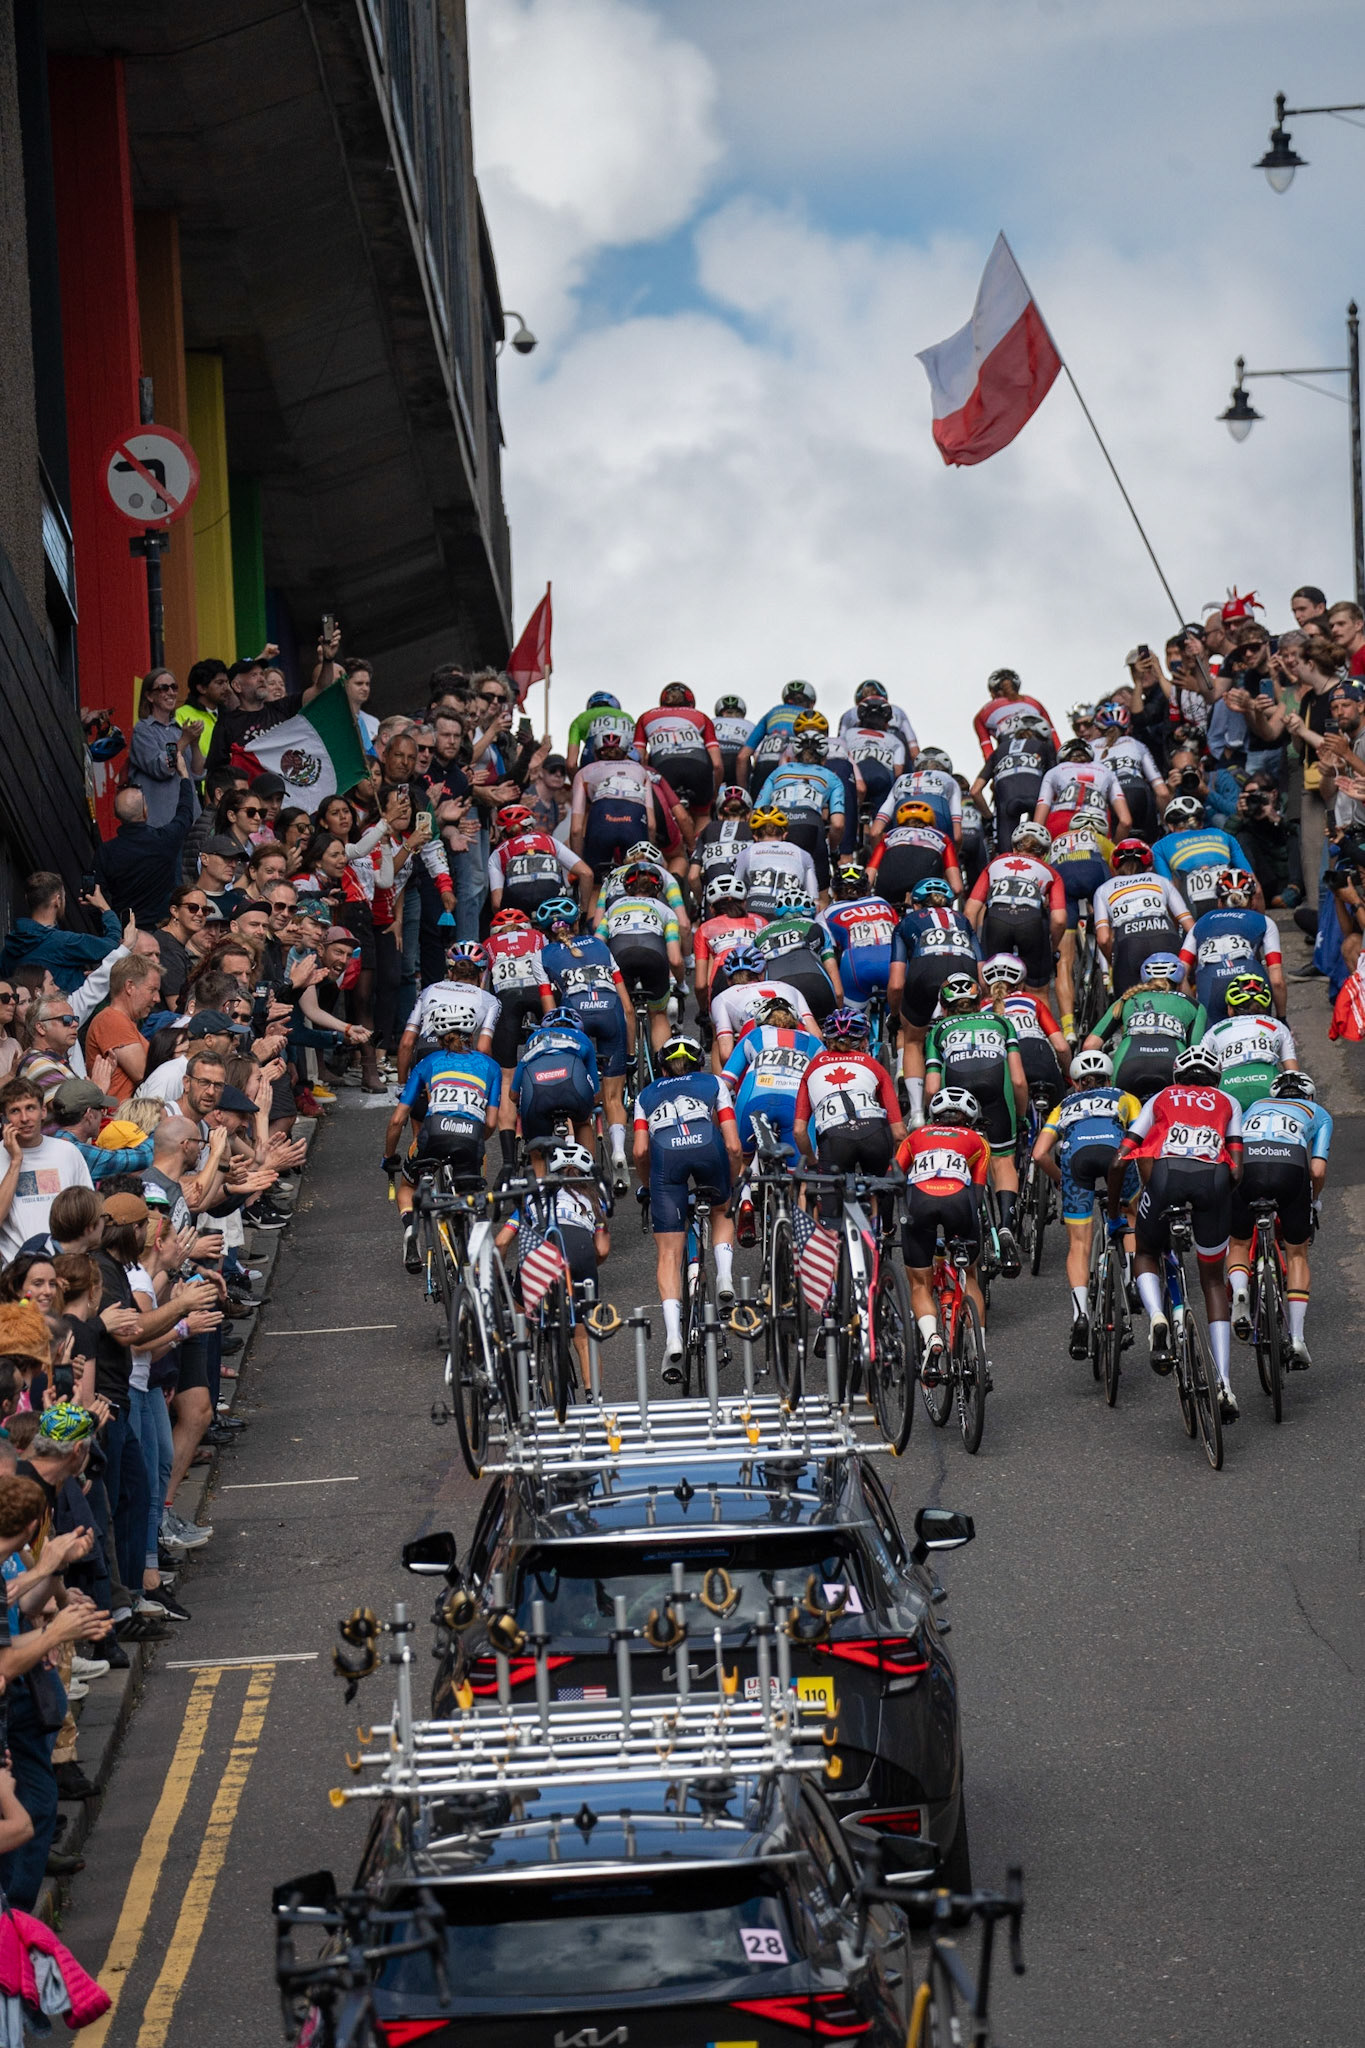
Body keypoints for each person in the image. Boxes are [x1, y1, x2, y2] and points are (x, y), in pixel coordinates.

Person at [1112, 1043, 1242, 1417]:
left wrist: (1115, 1207)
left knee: (1147, 1252)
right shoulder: (1227, 1101)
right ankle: (1224, 1385)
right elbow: (1235, 1168)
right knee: (1213, 1283)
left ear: (1177, 1077)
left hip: (1167, 1180)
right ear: (1216, 1077)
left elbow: (1123, 1156)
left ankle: (1155, 1315)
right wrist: (1217, 1199)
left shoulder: (1162, 1098)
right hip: (1213, 1181)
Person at [632, 1032, 744, 1369]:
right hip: (707, 1147)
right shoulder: (713, 1083)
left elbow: (639, 1150)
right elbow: (734, 1145)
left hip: (666, 1159)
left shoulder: (645, 1094)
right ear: (698, 1062)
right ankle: (725, 1279)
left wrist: (649, 1185)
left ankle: (673, 1339)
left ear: (662, 1068)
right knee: (721, 1210)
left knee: (668, 1252)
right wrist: (733, 1182)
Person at [1032, 1049, 1140, 1358]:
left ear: (1077, 1084)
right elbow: (1141, 1139)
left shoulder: (1065, 1104)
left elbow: (1039, 1154)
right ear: (1109, 1078)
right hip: (1115, 1155)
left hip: (1077, 1161)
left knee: (1078, 1244)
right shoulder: (1125, 1097)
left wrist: (1059, 1180)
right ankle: (1133, 1281)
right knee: (1130, 1215)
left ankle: (1080, 1313)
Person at [383, 998, 501, 1271]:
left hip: (433, 1131)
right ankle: (467, 1244)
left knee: (408, 1187)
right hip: (471, 1135)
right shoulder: (490, 1066)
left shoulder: (429, 1062)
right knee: (471, 1194)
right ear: (471, 1035)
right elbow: (491, 1122)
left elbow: (398, 1119)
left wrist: (388, 1156)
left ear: (438, 1036)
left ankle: (411, 1229)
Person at [923, 971, 1026, 1272]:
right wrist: (1020, 1118)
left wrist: (933, 1122)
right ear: (979, 1001)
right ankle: (1005, 1226)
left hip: (955, 1092)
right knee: (1003, 1160)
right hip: (996, 1090)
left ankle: (958, 1223)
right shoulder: (1002, 1022)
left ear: (944, 1006)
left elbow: (930, 1087)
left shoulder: (939, 1029)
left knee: (957, 1153)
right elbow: (1018, 1081)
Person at [1226, 1071, 1330, 1371]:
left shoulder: (1255, 1106)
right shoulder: (1318, 1113)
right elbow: (1318, 1171)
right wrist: (1312, 1202)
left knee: (1239, 1242)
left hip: (1249, 1165)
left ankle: (1241, 1289)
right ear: (1309, 1097)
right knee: (1297, 1254)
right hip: (1290, 1167)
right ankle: (1296, 1337)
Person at [535, 898, 634, 1190]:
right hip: (611, 1016)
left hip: (573, 1018)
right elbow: (628, 1008)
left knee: (574, 1093)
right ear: (577, 923)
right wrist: (629, 1054)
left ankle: (574, 1155)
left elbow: (549, 1013)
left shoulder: (542, 955)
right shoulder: (601, 946)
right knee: (614, 1097)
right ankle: (617, 1151)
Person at [495, 1142, 610, 1391]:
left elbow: (502, 1241)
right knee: (583, 1336)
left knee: (520, 1311)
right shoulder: (595, 1201)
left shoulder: (532, 1197)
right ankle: (594, 1401)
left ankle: (523, 1366)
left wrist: (499, 1278)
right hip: (579, 1253)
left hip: (540, 1250)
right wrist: (586, 1266)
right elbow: (602, 1250)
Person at [896, 1087, 992, 1367]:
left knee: (919, 1283)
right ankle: (979, 1354)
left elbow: (894, 1178)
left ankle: (932, 1338)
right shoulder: (977, 1140)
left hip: (919, 1202)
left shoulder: (915, 1137)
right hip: (959, 1202)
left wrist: (892, 1224)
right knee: (969, 1275)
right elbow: (977, 1192)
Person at [886, 876, 981, 1122]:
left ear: (916, 905)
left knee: (914, 1041)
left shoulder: (906, 923)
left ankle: (917, 1113)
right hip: (964, 972)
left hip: (924, 975)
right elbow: (981, 972)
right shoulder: (964, 921)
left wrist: (897, 1016)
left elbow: (896, 984)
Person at [792, 1007, 905, 1189]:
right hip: (874, 1135)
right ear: (864, 1043)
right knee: (881, 1193)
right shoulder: (874, 1065)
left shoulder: (812, 1067)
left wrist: (813, 1164)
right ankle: (879, 1214)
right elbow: (899, 1133)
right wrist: (895, 1170)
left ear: (829, 1041)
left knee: (831, 1211)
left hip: (834, 1139)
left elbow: (799, 1131)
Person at [483, 910, 555, 1173]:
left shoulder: (488, 945)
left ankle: (508, 1161)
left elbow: (484, 988)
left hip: (507, 999)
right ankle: (565, 1137)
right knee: (554, 1059)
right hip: (539, 994)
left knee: (505, 1077)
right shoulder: (537, 936)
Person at [1084, 952, 1207, 1101]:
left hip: (1127, 1065)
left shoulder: (1126, 999)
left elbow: (1089, 1046)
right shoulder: (1194, 1005)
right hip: (1170, 1065)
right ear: (1181, 981)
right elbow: (1194, 1053)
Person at [964, 820, 1066, 995]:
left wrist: (974, 952)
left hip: (997, 921)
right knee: (1038, 993)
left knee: (991, 988)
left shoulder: (995, 863)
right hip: (1032, 923)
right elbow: (1059, 919)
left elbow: (970, 911)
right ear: (1044, 853)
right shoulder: (1051, 872)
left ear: (1014, 848)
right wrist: (1052, 948)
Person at [0, 1074, 93, 1262]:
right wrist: (16, 1161)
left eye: (30, 1108)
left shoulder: (67, 1152)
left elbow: (89, 1214)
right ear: (5, 1118)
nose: (25, 1118)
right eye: (15, 1111)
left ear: (43, 1111)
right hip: (18, 1272)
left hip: (66, 1265)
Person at [595, 865, 685, 1055]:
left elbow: (597, 944)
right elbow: (676, 960)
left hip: (620, 959)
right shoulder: (666, 911)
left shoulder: (613, 908)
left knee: (624, 1010)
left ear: (627, 888)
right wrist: (681, 984)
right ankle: (662, 1072)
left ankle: (629, 1060)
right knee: (659, 1014)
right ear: (659, 889)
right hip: (654, 959)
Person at [1179, 869, 1286, 1026]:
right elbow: (1277, 980)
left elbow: (1180, 973)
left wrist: (1194, 1013)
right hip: (1251, 984)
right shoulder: (1264, 921)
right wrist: (1282, 1019)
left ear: (1219, 902)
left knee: (1213, 1044)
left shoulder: (1200, 923)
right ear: (1252, 900)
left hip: (1211, 984)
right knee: (1262, 1037)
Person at [752, 714, 846, 891]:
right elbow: (838, 824)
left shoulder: (779, 771)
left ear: (794, 756)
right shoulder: (832, 778)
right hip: (810, 826)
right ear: (824, 759)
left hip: (777, 826)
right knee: (821, 892)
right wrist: (832, 850)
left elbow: (756, 813)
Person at [1091, 839, 1193, 1000]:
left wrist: (1114, 962)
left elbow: (1103, 939)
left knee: (1128, 1005)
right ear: (1148, 864)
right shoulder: (1161, 881)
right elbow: (1190, 926)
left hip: (1129, 944)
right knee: (1181, 988)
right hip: (1165, 936)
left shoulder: (1103, 889)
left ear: (1116, 867)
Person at [721, 995, 821, 1158]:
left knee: (739, 1163)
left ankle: (745, 1178)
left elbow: (725, 1083)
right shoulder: (813, 1041)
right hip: (794, 1104)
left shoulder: (755, 1034)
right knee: (801, 1174)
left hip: (754, 1101)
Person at [0, 873, 122, 992]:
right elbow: (112, 945)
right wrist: (105, 908)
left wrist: (77, 977)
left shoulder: (11, 946)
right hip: (61, 1009)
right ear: (57, 900)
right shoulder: (63, 942)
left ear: (27, 898)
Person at [568, 731, 663, 882]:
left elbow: (576, 830)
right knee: (638, 881)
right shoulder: (640, 770)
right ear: (626, 751)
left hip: (601, 820)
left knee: (595, 885)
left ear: (596, 753)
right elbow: (651, 824)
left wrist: (578, 866)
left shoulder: (584, 772)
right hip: (634, 822)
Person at [979, 952, 1069, 1106]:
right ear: (1020, 983)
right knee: (1060, 1117)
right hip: (1039, 1056)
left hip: (1005, 1065)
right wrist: (1067, 1076)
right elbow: (1061, 1047)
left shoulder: (981, 1009)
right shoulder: (1031, 1000)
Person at [510, 1010, 600, 1160]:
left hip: (537, 1090)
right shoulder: (582, 1038)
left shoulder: (534, 1038)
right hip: (574, 1088)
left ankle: (539, 1181)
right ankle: (586, 1176)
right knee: (582, 1122)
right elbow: (595, 1094)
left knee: (536, 1139)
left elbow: (514, 1094)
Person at [1197, 974, 1298, 1110]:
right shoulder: (1277, 1026)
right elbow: (1294, 1073)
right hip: (1268, 1083)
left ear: (1230, 1009)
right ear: (1265, 1008)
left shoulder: (1214, 1031)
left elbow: (1200, 1072)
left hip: (1228, 1088)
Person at [709, 945, 821, 1066]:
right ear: (762, 973)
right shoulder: (788, 987)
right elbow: (817, 1035)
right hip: (797, 1040)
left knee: (718, 1043)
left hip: (757, 1042)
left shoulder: (721, 998)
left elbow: (726, 1054)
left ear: (728, 979)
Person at [1151, 797, 1260, 917]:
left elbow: (1170, 893)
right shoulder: (1224, 835)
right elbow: (1256, 889)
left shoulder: (1159, 847)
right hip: (1228, 901)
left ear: (1171, 826)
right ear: (1201, 823)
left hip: (1195, 910)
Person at [632, 683, 722, 824]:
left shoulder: (645, 717)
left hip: (663, 767)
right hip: (698, 768)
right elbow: (716, 764)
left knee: (664, 813)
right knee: (702, 815)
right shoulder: (701, 717)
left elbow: (638, 757)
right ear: (690, 701)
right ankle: (699, 844)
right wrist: (713, 794)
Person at [749, 887, 842, 1021]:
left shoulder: (761, 934)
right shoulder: (816, 927)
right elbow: (838, 991)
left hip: (780, 987)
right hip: (816, 983)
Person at [127, 669, 203, 827]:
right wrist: (184, 740)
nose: (171, 692)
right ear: (149, 696)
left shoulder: (179, 730)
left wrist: (194, 743)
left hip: (190, 821)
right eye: (163, 688)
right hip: (160, 824)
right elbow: (162, 768)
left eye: (174, 687)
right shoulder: (143, 730)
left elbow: (198, 773)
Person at [819, 863, 899, 1012]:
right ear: (867, 889)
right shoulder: (882, 902)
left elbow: (827, 953)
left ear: (834, 891)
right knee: (899, 1023)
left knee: (850, 1025)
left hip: (856, 963)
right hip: (892, 961)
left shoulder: (826, 913)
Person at [487, 804, 591, 918]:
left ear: (502, 832)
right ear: (530, 826)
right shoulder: (548, 840)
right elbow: (586, 873)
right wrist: (583, 912)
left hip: (519, 911)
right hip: (554, 906)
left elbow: (497, 904)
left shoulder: (498, 853)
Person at [969, 720, 1055, 854]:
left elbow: (975, 791)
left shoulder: (998, 751)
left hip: (1007, 803)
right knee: (1038, 848)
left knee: (1006, 855)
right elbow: (1054, 784)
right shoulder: (1043, 747)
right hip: (1036, 800)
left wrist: (989, 819)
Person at [84, 953, 161, 1103]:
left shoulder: (124, 1021)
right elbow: (141, 1072)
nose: (157, 998)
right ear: (129, 987)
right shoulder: (111, 1019)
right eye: (152, 990)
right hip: (116, 1119)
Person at [692, 875, 766, 1025]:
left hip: (723, 975)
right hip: (757, 974)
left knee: (719, 1037)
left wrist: (704, 1010)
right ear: (744, 903)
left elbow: (701, 984)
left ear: (712, 909)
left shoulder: (705, 928)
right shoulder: (761, 921)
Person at [866, 799, 963, 909]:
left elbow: (869, 875)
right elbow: (957, 887)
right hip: (925, 889)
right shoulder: (942, 837)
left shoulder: (889, 836)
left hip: (889, 885)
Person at [1096, 702, 1169, 842]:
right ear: (1128, 728)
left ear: (1098, 729)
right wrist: (1165, 825)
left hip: (1110, 799)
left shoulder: (1091, 747)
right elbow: (1162, 792)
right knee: (1151, 844)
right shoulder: (1136, 744)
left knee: (1114, 851)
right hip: (1138, 790)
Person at [731, 806, 820, 920]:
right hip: (788, 909)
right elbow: (815, 901)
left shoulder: (745, 853)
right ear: (784, 834)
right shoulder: (804, 855)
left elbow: (734, 893)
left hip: (755, 907)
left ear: (755, 836)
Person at [1035, 738, 1132, 840]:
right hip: (1097, 826)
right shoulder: (1107, 771)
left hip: (1061, 824)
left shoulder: (1054, 771)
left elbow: (1038, 823)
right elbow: (1126, 821)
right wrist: (1113, 849)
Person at [745, 679, 819, 793]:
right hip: (794, 768)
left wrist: (743, 789)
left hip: (764, 765)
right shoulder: (811, 717)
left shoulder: (773, 712)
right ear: (812, 703)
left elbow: (742, 756)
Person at [686, 784, 755, 906]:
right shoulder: (753, 830)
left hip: (715, 902)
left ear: (719, 815)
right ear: (749, 815)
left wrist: (701, 902)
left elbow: (692, 876)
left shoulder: (708, 829)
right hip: (744, 902)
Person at [971, 669, 1059, 757]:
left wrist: (992, 764)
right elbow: (1052, 732)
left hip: (1011, 750)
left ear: (994, 693)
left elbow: (986, 745)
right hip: (1039, 746)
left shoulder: (983, 713)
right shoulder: (1034, 702)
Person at [566, 691, 636, 771]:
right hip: (627, 758)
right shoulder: (627, 717)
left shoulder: (579, 719)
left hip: (593, 758)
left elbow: (571, 764)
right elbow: (639, 750)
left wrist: (576, 780)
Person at [712, 695, 752, 787]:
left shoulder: (711, 721)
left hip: (715, 759)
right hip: (737, 762)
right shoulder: (749, 725)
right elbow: (757, 753)